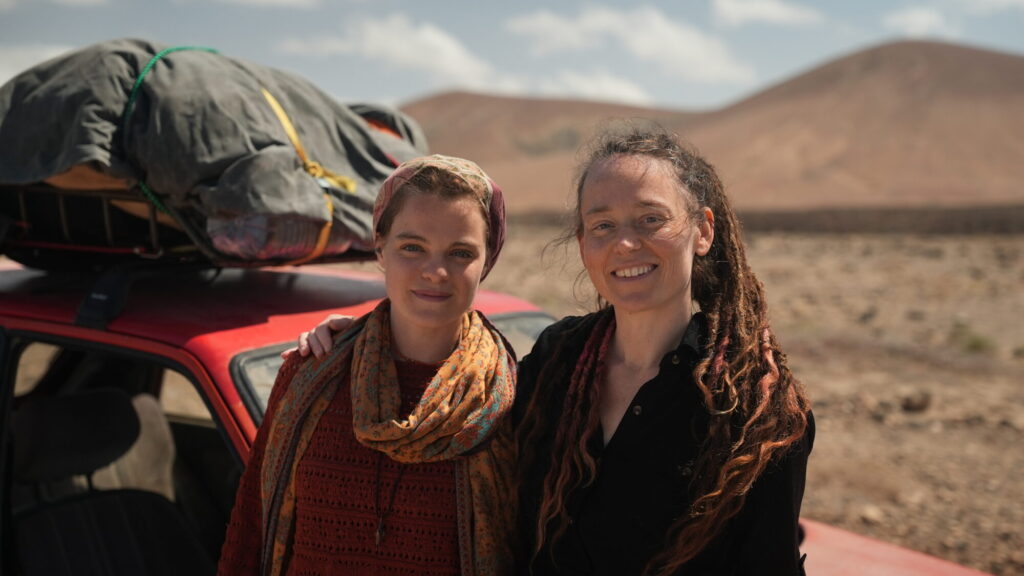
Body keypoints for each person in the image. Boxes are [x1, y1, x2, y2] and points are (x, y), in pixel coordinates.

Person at [297, 127, 814, 575]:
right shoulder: (556, 361)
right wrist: (368, 339)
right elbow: (455, 413)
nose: (625, 244)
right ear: (583, 242)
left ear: (702, 231)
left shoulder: (757, 409)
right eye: (603, 225)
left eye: (650, 219)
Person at [218, 155, 517, 576]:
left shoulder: (509, 401)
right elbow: (250, 531)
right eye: (412, 247)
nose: (436, 271)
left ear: (487, 261)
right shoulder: (312, 375)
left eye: (460, 252)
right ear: (380, 248)